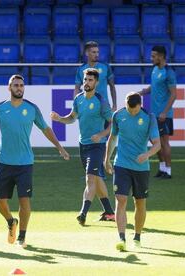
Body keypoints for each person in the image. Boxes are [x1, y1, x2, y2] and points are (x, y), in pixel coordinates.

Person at [0, 74, 69, 248]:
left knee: (24, 200)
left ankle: (22, 236)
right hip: (4, 161)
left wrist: (59, 147)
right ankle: (11, 221)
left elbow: (45, 129)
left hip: (25, 163)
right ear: (9, 88)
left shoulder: (32, 108)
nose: (19, 88)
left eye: (21, 85)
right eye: (15, 85)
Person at [51, 68, 115, 226]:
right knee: (98, 179)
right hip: (83, 145)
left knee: (90, 178)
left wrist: (101, 135)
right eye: (85, 80)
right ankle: (109, 212)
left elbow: (113, 124)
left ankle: (83, 213)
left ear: (97, 83)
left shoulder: (101, 101)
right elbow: (72, 118)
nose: (86, 83)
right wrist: (60, 119)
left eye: (90, 80)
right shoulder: (78, 99)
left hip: (97, 146)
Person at [104, 92, 160, 251]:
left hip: (141, 168)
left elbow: (157, 144)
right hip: (121, 164)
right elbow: (112, 138)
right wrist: (106, 159)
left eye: (135, 110)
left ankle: (137, 236)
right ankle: (121, 237)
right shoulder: (118, 115)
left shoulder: (149, 117)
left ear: (140, 105)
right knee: (120, 199)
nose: (132, 113)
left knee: (140, 202)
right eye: (129, 109)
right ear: (126, 104)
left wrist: (147, 154)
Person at [139, 45, 177, 179]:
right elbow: (154, 86)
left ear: (161, 56)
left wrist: (165, 112)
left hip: (163, 115)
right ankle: (162, 168)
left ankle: (168, 171)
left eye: (154, 56)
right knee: (155, 141)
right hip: (153, 114)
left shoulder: (169, 72)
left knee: (164, 142)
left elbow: (173, 94)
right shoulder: (155, 70)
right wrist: (144, 92)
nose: (151, 58)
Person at [75, 41, 117, 112]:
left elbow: (112, 86)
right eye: (94, 52)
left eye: (97, 52)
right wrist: (76, 105)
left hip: (104, 107)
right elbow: (77, 89)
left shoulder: (105, 67)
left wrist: (114, 105)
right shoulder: (81, 69)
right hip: (87, 106)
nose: (97, 54)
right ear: (87, 53)